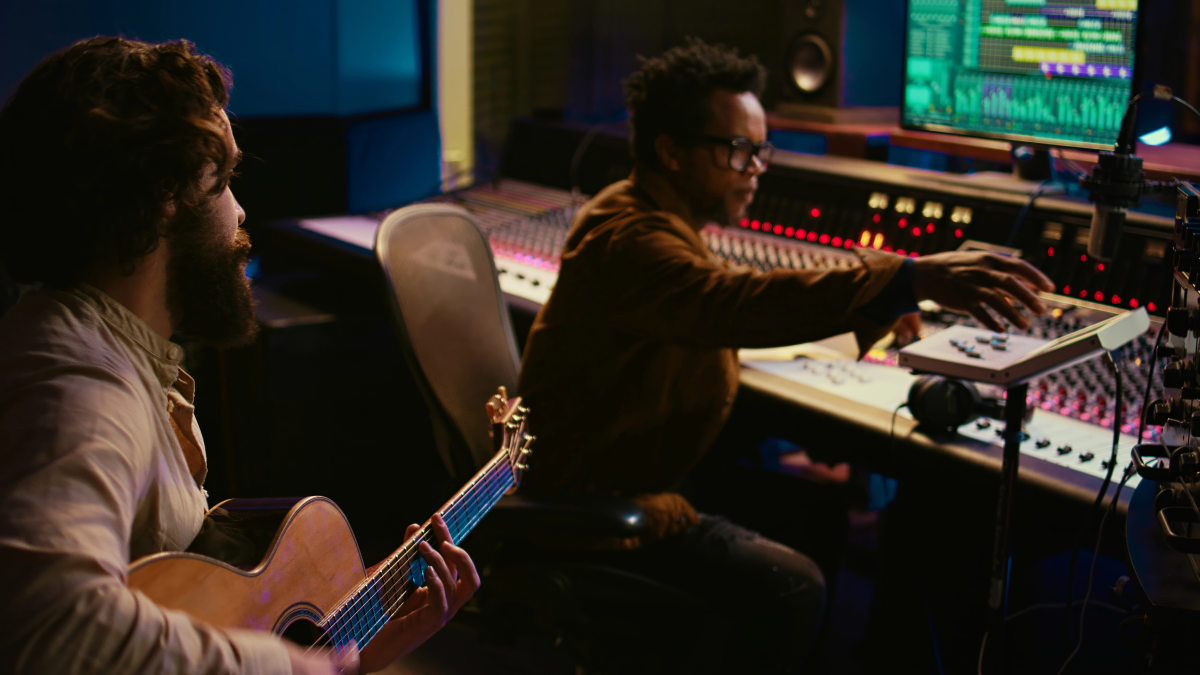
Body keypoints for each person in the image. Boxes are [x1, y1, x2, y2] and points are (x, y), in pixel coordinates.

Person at [516, 39, 1055, 673]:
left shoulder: (647, 215)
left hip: (637, 469)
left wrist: (871, 306)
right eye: (738, 151)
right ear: (671, 152)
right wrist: (905, 279)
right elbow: (727, 302)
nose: (756, 168)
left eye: (760, 151)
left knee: (815, 513)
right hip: (597, 499)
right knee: (793, 584)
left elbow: (720, 306)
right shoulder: (630, 239)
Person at [0, 37, 479, 675]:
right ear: (166, 194)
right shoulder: (81, 384)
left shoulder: (119, 357)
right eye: (222, 181)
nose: (240, 209)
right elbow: (47, 626)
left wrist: (354, 654)